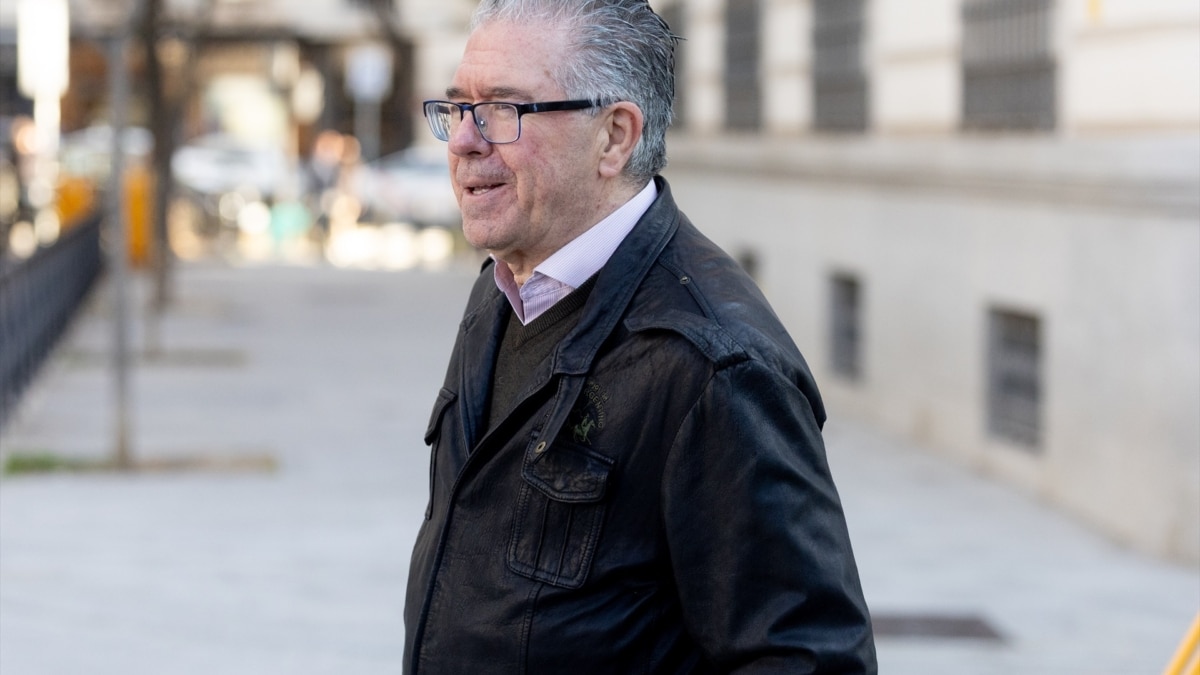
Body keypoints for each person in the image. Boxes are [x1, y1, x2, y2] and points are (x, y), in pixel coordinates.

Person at [404, 1, 877, 672]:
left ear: (614, 137)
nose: (463, 142)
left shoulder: (714, 366)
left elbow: (808, 656)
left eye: (503, 111)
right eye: (458, 108)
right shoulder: (503, 288)